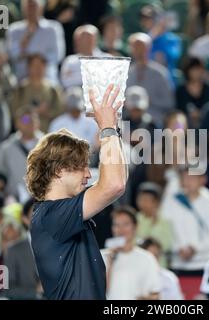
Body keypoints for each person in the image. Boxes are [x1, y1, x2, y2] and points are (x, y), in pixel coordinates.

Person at [27, 84, 128, 300]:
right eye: (81, 166)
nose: (88, 174)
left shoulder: (57, 213)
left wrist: (114, 130)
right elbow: (114, 185)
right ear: (58, 170)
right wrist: (107, 128)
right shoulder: (51, 216)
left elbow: (118, 179)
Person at [160, 166, 209, 275]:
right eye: (185, 177)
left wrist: (194, 248)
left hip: (204, 264)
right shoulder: (171, 201)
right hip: (177, 263)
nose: (188, 181)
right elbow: (164, 229)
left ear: (203, 179)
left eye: (192, 177)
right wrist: (177, 248)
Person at [101, 207, 161, 300]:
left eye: (126, 224)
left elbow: (155, 294)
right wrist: (110, 261)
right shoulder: (102, 256)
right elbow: (97, 291)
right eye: (116, 225)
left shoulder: (147, 258)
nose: (121, 229)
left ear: (135, 227)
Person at [6, 0, 65, 84]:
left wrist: (36, 62)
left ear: (41, 8)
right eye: (28, 6)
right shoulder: (14, 30)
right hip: (22, 82)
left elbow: (57, 56)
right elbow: (12, 55)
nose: (31, 10)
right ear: (23, 9)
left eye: (34, 6)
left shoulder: (53, 28)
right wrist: (22, 45)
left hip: (48, 81)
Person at [126, 32, 174, 127]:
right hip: (128, 122)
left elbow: (169, 102)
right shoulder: (125, 73)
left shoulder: (160, 74)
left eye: (141, 46)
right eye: (135, 46)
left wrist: (147, 101)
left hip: (153, 122)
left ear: (149, 48)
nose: (138, 50)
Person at [9, 53, 64, 133]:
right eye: (35, 66)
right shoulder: (20, 90)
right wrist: (33, 114)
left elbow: (60, 117)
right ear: (28, 67)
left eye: (41, 66)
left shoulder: (53, 90)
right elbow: (15, 117)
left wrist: (47, 113)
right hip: (25, 138)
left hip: (47, 138)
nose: (38, 69)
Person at [0, 108, 44, 201]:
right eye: (25, 120)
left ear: (38, 123)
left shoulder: (48, 145)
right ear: (17, 123)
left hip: (42, 198)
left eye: (33, 119)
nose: (29, 122)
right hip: (14, 199)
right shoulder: (6, 148)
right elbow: (1, 175)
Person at [3, 198, 41, 300]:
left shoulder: (61, 246)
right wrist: (36, 291)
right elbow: (6, 289)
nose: (42, 217)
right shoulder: (13, 250)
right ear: (25, 219)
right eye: (35, 212)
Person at [139, 4, 182, 86]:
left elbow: (171, 57)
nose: (146, 22)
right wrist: (152, 36)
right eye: (144, 19)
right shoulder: (141, 40)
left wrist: (156, 35)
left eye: (150, 18)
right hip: (146, 82)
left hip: (167, 83)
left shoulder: (172, 39)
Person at [135, 182, 173, 264]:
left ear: (156, 202)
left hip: (159, 263)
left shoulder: (164, 221)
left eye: (146, 200)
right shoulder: (135, 219)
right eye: (140, 199)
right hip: (138, 262)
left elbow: (167, 244)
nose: (142, 203)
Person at [60, 24, 107, 90]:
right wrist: (93, 76)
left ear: (96, 39)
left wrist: (77, 75)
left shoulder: (107, 58)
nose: (86, 41)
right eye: (82, 38)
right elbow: (66, 82)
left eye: (89, 37)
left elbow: (108, 79)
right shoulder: (69, 61)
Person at [175, 57, 209, 129]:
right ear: (187, 71)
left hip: (205, 123)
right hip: (185, 124)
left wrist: (200, 114)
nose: (197, 72)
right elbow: (179, 109)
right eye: (194, 69)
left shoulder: (208, 88)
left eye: (199, 69)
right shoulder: (181, 90)